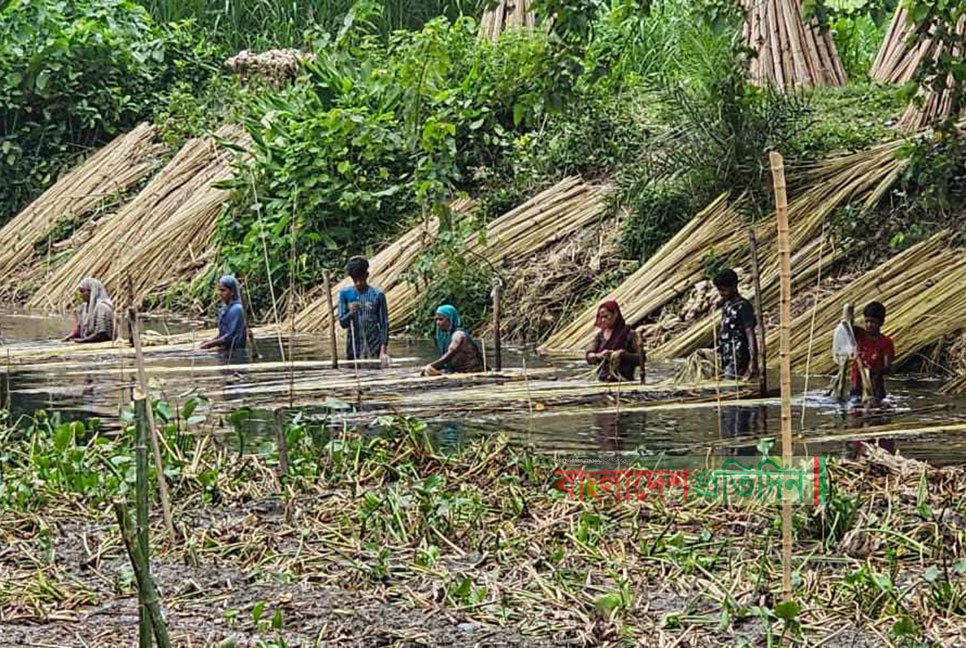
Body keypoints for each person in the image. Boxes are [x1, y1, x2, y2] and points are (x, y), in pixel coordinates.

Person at [338, 256, 390, 367]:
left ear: (367, 275)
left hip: (374, 345)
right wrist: (351, 313)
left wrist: (383, 351)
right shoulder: (345, 294)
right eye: (355, 280)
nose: (358, 283)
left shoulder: (377, 295)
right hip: (353, 346)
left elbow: (384, 324)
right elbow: (342, 323)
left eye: (361, 279)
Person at [713, 269, 759, 380]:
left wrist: (753, 361)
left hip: (738, 357)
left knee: (731, 385)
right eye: (719, 290)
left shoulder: (743, 306)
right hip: (726, 355)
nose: (721, 294)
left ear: (734, 287)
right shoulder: (727, 304)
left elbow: (749, 332)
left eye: (723, 290)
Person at [848, 301, 894, 404]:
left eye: (873, 322)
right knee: (855, 408)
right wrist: (849, 312)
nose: (869, 325)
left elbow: (888, 368)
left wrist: (875, 371)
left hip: (876, 386)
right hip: (857, 384)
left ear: (881, 323)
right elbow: (848, 326)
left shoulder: (886, 342)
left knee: (876, 411)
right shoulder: (859, 335)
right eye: (867, 321)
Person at [585, 300, 643, 382]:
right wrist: (599, 355)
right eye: (601, 317)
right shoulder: (599, 336)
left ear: (615, 314)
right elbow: (589, 355)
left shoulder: (629, 334)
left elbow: (641, 359)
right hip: (603, 380)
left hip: (624, 381)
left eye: (606, 316)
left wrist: (623, 355)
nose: (603, 320)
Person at [422, 305, 483, 375]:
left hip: (471, 372)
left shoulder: (458, 335)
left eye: (441, 319)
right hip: (456, 372)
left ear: (450, 319)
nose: (438, 323)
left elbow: (450, 354)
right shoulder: (444, 337)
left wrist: (431, 366)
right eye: (436, 319)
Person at [201, 275, 247, 351]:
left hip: (235, 353)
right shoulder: (225, 309)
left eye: (223, 290)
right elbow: (223, 334)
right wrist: (210, 341)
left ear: (232, 292)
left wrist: (210, 344)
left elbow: (230, 337)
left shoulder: (237, 309)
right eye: (220, 290)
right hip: (226, 351)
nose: (220, 293)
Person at [63, 278, 115, 344]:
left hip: (99, 343)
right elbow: (80, 329)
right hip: (88, 341)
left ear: (92, 291)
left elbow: (102, 334)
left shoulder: (102, 308)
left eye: (82, 291)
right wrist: (68, 338)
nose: (80, 294)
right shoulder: (84, 308)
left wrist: (84, 341)